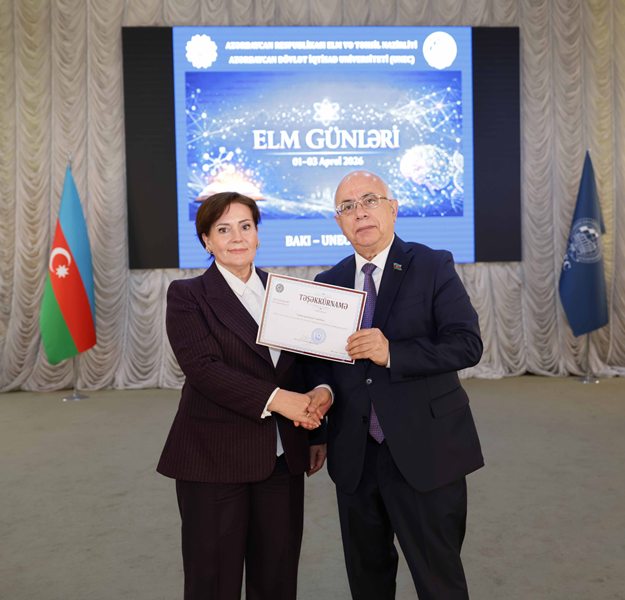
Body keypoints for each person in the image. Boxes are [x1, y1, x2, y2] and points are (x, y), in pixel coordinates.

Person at [309, 171, 484, 600]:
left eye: (370, 200)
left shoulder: (432, 265)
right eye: (347, 207)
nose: (360, 212)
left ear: (393, 209)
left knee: (439, 581)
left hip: (426, 451)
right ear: (339, 222)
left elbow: (467, 344)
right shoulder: (327, 283)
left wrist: (393, 353)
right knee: (367, 581)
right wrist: (320, 401)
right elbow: (320, 367)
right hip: (356, 457)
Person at [157, 191, 327, 600]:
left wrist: (317, 429)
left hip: (282, 459)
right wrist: (279, 400)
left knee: (277, 580)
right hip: (213, 460)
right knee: (214, 583)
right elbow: (204, 369)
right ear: (206, 240)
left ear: (257, 234)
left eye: (245, 226)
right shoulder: (188, 295)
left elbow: (303, 366)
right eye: (223, 229)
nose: (237, 237)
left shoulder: (285, 293)